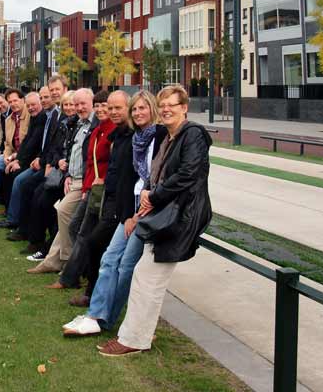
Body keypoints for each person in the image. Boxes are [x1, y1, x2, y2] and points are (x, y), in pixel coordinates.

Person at [98, 84, 213, 356]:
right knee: (144, 276)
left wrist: (155, 194)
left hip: (179, 219)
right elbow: (155, 172)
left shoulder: (193, 134)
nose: (166, 110)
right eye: (163, 106)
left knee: (147, 277)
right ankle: (135, 336)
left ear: (184, 108)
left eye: (172, 105)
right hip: (163, 215)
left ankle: (134, 339)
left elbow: (188, 174)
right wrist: (150, 191)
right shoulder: (170, 138)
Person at [62, 89, 166, 336]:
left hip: (145, 212)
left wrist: (134, 215)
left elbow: (153, 180)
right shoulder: (132, 137)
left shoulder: (158, 136)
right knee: (111, 260)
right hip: (128, 209)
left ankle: (103, 316)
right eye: (136, 109)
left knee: (124, 265)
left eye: (142, 108)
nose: (138, 113)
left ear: (152, 109)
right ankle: (97, 315)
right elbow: (127, 179)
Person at [48, 89, 114, 296]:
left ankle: (73, 275)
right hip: (91, 187)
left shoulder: (111, 130)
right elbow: (89, 162)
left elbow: (110, 164)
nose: (101, 109)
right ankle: (78, 271)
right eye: (100, 106)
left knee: (83, 230)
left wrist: (93, 185)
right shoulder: (97, 130)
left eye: (107, 106)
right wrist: (86, 187)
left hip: (103, 189)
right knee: (79, 227)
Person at [27, 88, 95, 273]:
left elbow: (90, 159)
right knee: (45, 200)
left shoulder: (91, 124)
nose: (77, 108)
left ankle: (67, 261)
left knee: (62, 211)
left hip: (85, 182)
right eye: (74, 104)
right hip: (70, 178)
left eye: (81, 104)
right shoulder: (78, 124)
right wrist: (66, 174)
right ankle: (52, 259)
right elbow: (65, 151)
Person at [0, 87, 57, 232]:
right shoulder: (37, 117)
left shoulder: (44, 117)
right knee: (9, 173)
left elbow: (35, 143)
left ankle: (16, 220)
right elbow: (26, 141)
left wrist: (20, 161)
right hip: (33, 159)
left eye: (34, 104)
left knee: (20, 181)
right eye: (29, 105)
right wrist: (15, 159)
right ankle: (12, 215)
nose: (31, 108)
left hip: (39, 161)